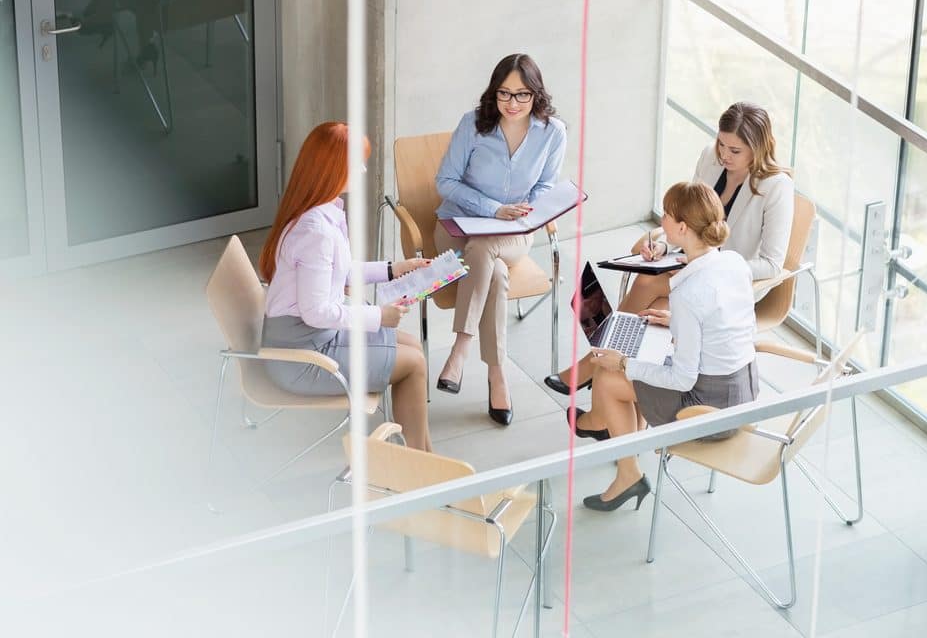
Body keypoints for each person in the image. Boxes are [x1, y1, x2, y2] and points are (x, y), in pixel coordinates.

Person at [545, 101, 792, 395]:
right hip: (691, 268)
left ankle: (594, 365)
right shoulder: (710, 159)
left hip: (731, 283)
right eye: (721, 144)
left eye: (735, 150)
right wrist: (663, 246)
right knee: (656, 308)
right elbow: (684, 217)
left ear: (759, 147)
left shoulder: (777, 187)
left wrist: (708, 264)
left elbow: (771, 264)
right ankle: (610, 383)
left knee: (651, 287)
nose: (724, 155)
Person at [570, 182, 758, 511]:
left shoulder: (688, 295)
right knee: (634, 357)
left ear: (683, 228)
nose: (663, 220)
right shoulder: (733, 264)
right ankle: (602, 427)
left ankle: (619, 460)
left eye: (668, 215)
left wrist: (624, 364)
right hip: (745, 393)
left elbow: (683, 380)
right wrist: (675, 323)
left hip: (709, 412)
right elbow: (729, 323)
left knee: (608, 376)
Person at [259, 122, 432, 451]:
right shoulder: (316, 232)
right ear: (334, 168)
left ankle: (423, 459)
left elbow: (339, 272)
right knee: (413, 365)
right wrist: (379, 317)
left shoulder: (320, 212)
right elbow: (317, 311)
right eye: (358, 163)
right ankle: (420, 463)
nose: (364, 169)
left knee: (413, 348)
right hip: (303, 355)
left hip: (310, 336)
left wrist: (394, 269)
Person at [432, 53, 567, 426]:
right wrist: (493, 209)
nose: (512, 103)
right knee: (493, 272)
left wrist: (522, 211)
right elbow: (445, 182)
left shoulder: (553, 133)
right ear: (493, 93)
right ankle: (498, 375)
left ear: (536, 95)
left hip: (513, 234)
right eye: (504, 94)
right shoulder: (473, 125)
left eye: (522, 95)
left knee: (487, 249)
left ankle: (460, 348)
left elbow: (545, 186)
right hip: (457, 229)